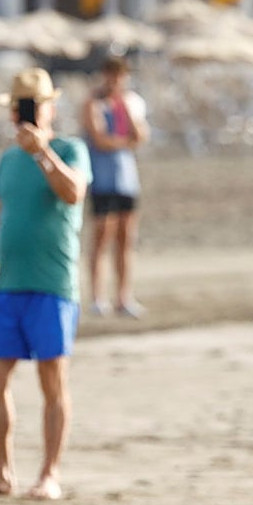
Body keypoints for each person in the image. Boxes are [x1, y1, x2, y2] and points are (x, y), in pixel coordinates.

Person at [0, 69, 91, 501]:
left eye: (34, 105)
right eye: (21, 106)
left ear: (51, 107)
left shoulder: (69, 148)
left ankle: (50, 473)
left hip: (52, 284)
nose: (27, 114)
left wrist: (42, 153)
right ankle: (1, 471)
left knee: (52, 381)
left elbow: (74, 193)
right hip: (9, 287)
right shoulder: (7, 160)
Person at [83, 55, 149, 319]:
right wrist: (125, 141)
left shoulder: (129, 103)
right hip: (102, 178)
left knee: (126, 238)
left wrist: (124, 109)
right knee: (102, 237)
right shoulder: (93, 103)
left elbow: (140, 136)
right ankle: (98, 297)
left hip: (126, 179)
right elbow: (99, 140)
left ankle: (124, 296)